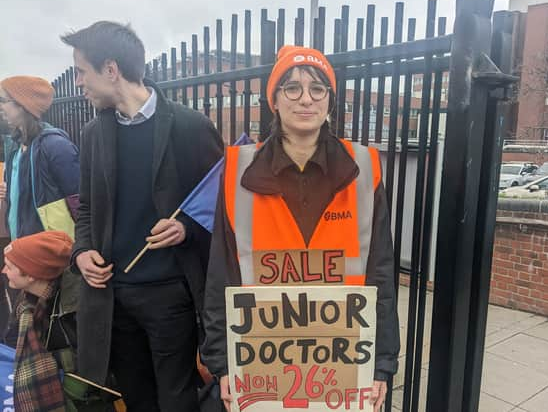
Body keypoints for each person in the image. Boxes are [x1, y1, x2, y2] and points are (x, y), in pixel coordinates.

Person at [200, 45, 400, 412]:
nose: (305, 99)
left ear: (330, 100)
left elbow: (381, 272)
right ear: (274, 99)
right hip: (262, 361)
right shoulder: (236, 170)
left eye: (317, 88)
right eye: (291, 87)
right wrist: (223, 362)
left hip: (344, 359)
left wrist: (382, 364)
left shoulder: (365, 168)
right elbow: (221, 274)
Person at [61, 21, 224, 411]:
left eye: (82, 71)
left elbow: (221, 205)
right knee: (136, 399)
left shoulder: (191, 127)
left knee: (177, 400)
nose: (78, 82)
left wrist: (184, 227)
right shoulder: (92, 134)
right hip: (112, 298)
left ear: (111, 70)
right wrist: (81, 253)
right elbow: (86, 211)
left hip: (171, 296)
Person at [0, 75, 80, 348]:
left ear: (23, 105)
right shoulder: (15, 148)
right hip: (24, 253)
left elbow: (78, 201)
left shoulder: (55, 146)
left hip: (49, 258)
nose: (2, 108)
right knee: (28, 328)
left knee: (51, 330)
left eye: (5, 101)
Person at [2, 230, 73, 412]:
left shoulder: (70, 311)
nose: (3, 271)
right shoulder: (25, 303)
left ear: (31, 274)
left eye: (9, 267)